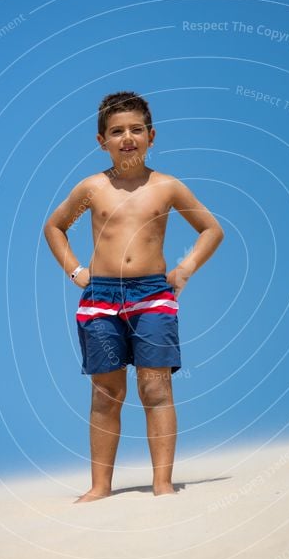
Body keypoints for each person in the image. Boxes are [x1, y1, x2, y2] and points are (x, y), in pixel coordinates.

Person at [43, 91, 224, 502]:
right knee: (106, 393)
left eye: (136, 130)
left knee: (156, 389)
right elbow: (54, 226)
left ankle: (162, 483)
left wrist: (183, 270)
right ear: (101, 140)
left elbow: (212, 229)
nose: (127, 137)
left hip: (151, 295)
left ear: (151, 136)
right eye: (116, 131)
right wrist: (75, 270)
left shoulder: (167, 187)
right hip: (100, 296)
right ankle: (99, 486)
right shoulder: (92, 188)